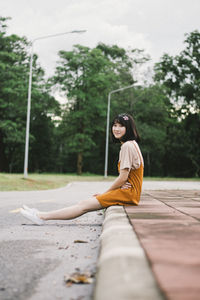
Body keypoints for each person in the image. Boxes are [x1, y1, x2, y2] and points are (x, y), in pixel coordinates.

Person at [20, 113, 144, 225]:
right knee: (84, 204)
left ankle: (41, 217)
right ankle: (41, 214)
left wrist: (106, 193)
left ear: (128, 129)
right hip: (130, 193)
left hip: (128, 194)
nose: (116, 129)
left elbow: (123, 178)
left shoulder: (127, 146)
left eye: (121, 126)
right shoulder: (132, 144)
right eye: (115, 125)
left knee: (83, 205)